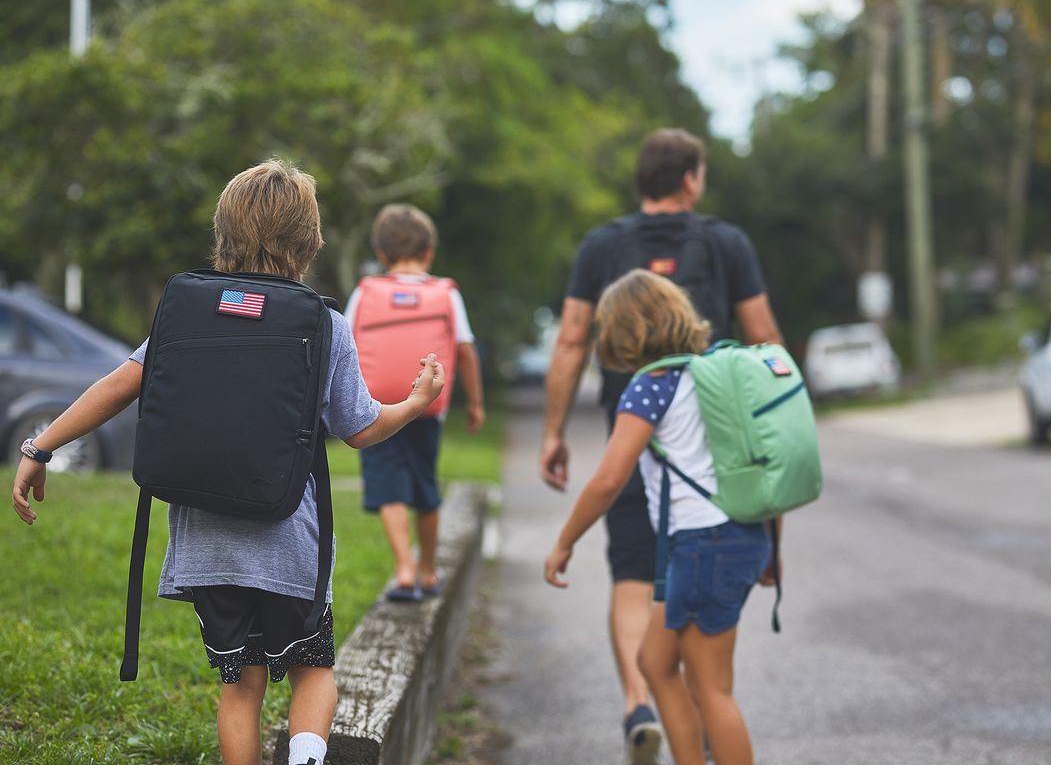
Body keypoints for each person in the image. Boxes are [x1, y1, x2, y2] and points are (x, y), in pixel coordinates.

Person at [10, 160, 445, 765]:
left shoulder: (185, 314)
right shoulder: (323, 324)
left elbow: (116, 387)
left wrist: (40, 448)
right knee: (312, 669)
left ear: (223, 234)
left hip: (205, 547)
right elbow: (362, 428)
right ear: (310, 240)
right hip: (289, 545)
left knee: (240, 687)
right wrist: (415, 403)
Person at [538, 128, 782, 761]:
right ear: (691, 179)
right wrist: (773, 547)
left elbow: (569, 345)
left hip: (695, 537)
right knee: (664, 658)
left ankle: (638, 708)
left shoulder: (641, 383)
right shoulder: (725, 251)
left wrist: (554, 440)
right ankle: (676, 736)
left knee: (700, 673)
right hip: (729, 512)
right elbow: (764, 340)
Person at [344, 203, 485, 601]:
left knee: (387, 486)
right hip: (426, 409)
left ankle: (403, 567)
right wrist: (475, 404)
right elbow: (467, 351)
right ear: (429, 253)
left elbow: (346, 346)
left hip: (375, 411)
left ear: (382, 255)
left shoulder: (365, 292)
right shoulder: (446, 294)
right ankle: (427, 572)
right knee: (425, 486)